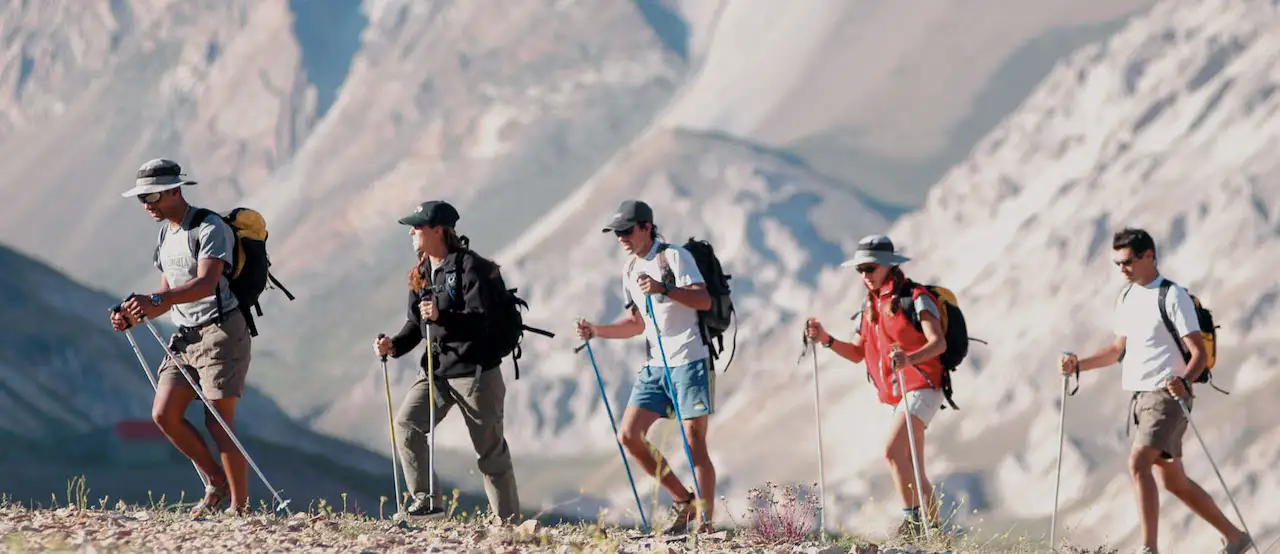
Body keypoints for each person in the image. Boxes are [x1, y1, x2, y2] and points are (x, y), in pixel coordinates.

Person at [1059, 228, 1251, 554]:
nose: (1122, 269)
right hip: (1140, 398)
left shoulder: (1172, 296)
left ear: (1149, 256)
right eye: (1117, 263)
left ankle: (1149, 549)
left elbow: (1198, 354)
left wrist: (1185, 381)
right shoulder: (1125, 297)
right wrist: (1079, 365)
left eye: (1128, 262)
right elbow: (1117, 350)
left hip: (1168, 395)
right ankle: (1235, 538)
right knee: (1174, 482)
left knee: (1138, 463)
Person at [109, 158, 252, 516]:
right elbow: (167, 291)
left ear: (176, 189)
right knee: (164, 413)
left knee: (217, 422)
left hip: (222, 333)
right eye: (142, 199)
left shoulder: (209, 227)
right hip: (185, 337)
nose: (147, 205)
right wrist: (136, 315)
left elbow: (205, 284)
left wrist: (156, 301)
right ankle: (216, 481)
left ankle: (241, 509)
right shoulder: (166, 234)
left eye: (153, 196)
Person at [575, 199, 717, 534]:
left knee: (694, 442)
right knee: (628, 435)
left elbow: (703, 300)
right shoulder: (628, 269)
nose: (621, 238)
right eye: (616, 232)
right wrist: (597, 331)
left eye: (626, 230)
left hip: (689, 360)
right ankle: (685, 501)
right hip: (656, 365)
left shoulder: (674, 256)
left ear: (646, 228)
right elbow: (636, 324)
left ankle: (707, 527)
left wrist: (663, 288)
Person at [373, 200, 521, 522]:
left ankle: (508, 526)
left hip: (476, 374)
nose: (412, 232)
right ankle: (428, 501)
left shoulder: (470, 267)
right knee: (406, 425)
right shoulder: (421, 273)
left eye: (418, 226)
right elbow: (417, 325)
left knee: (490, 454)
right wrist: (393, 346)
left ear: (438, 230)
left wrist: (443, 317)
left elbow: (479, 319)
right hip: (437, 372)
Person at [804, 234, 947, 539]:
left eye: (869, 269)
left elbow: (938, 343)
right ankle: (938, 534)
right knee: (913, 468)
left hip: (924, 385)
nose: (864, 276)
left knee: (892, 452)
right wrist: (826, 339)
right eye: (860, 270)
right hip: (899, 394)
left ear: (887, 266)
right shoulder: (869, 307)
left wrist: (909, 359)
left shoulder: (917, 297)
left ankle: (913, 526)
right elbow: (857, 354)